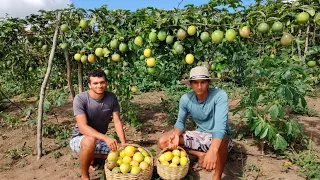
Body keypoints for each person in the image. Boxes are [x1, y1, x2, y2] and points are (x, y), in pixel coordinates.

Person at [158, 66, 232, 180]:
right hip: (200, 136)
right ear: (190, 84)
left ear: (208, 83)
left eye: (203, 82)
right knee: (163, 142)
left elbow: (220, 128)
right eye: (195, 83)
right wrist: (176, 133)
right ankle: (200, 154)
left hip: (218, 139)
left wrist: (212, 150)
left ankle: (216, 177)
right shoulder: (186, 99)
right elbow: (180, 122)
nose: (199, 86)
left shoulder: (219, 96)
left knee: (225, 138)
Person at [69, 69, 126, 180]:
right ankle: (85, 176)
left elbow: (117, 121)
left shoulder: (111, 98)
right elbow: (82, 127)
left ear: (106, 83)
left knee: (120, 153)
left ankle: (91, 156)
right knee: (90, 141)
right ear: (90, 85)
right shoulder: (80, 99)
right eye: (95, 83)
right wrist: (105, 137)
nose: (99, 85)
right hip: (80, 138)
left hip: (99, 139)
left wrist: (124, 143)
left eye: (102, 82)